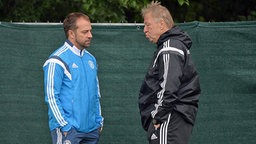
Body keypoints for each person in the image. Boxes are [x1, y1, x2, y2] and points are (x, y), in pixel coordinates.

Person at [138, 1, 201, 144]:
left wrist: (157, 117)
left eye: (148, 25)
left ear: (161, 24)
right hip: (173, 116)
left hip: (169, 117)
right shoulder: (172, 45)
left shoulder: (170, 47)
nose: (145, 30)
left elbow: (168, 86)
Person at [43, 12, 103, 144]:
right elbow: (52, 97)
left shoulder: (91, 59)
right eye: (85, 32)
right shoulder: (57, 60)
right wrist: (65, 126)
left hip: (92, 130)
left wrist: (98, 121)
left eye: (90, 31)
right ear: (71, 34)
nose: (90, 35)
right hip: (69, 131)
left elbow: (96, 93)